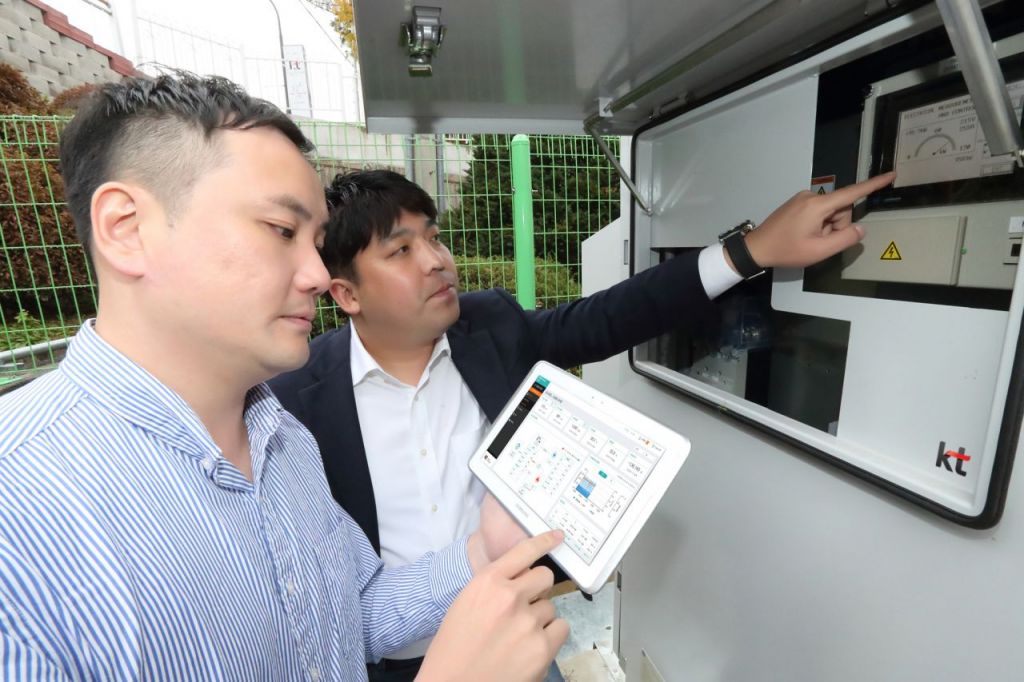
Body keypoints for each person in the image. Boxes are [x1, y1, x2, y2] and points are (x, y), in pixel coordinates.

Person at [0, 73, 567, 682]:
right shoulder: (20, 510)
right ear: (127, 228)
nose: (318, 276)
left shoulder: (286, 442)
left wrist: (484, 549)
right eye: (281, 231)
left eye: (316, 242)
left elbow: (351, 615)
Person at [268, 167, 897, 680]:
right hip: (394, 666)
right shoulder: (293, 400)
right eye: (401, 250)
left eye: (434, 238)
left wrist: (748, 251)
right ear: (346, 294)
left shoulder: (490, 327)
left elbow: (609, 317)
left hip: (523, 638)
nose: (436, 261)